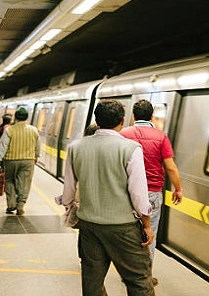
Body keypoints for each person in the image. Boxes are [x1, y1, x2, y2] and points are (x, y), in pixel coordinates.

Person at [62, 99, 155, 296]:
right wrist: (146, 224)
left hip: (89, 225)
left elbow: (69, 191)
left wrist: (70, 208)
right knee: (138, 280)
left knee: (92, 281)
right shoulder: (131, 148)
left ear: (96, 119)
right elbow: (138, 194)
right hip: (123, 227)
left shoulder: (76, 147)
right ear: (122, 121)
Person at [119, 99, 182, 287]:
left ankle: (126, 271)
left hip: (126, 191)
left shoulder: (123, 134)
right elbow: (170, 167)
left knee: (128, 233)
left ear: (133, 116)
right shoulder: (161, 137)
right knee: (149, 234)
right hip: (152, 192)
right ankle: (145, 276)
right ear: (151, 116)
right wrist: (178, 188)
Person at [0, 108, 39, 216]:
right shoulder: (34, 130)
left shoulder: (9, 130)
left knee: (9, 181)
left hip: (10, 160)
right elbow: (38, 146)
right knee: (24, 183)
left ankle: (11, 205)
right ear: (27, 118)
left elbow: (3, 146)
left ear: (16, 118)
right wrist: (36, 156)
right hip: (28, 161)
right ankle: (20, 206)